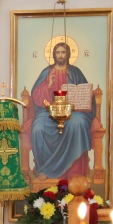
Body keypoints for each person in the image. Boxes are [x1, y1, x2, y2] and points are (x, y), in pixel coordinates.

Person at [28, 41, 94, 180]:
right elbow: (36, 96)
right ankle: (44, 169)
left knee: (79, 123)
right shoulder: (47, 72)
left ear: (68, 54)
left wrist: (80, 98)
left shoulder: (75, 72)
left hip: (72, 112)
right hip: (49, 111)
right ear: (54, 55)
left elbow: (85, 92)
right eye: (57, 52)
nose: (60, 55)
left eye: (63, 52)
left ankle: (74, 171)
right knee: (38, 128)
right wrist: (49, 85)